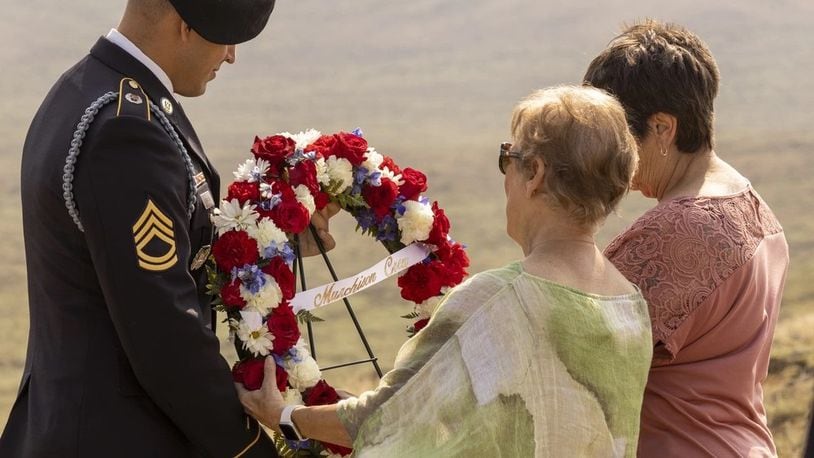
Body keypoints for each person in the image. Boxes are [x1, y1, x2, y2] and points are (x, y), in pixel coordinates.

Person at [236, 86, 653, 457]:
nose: (505, 173)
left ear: (536, 174)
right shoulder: (631, 305)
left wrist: (284, 414)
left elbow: (383, 418)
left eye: (507, 156)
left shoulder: (495, 299)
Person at [0, 0, 338, 456]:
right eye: (226, 37)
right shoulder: (126, 129)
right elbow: (163, 332)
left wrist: (273, 241)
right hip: (117, 437)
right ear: (185, 27)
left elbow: (144, 260)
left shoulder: (86, 90)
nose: (231, 55)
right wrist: (251, 447)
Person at [583, 20, 789, 457]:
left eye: (617, 135)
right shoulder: (756, 208)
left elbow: (571, 351)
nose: (609, 154)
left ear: (661, 129)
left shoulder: (673, 232)